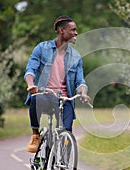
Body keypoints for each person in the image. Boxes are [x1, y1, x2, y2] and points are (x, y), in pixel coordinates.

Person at [24, 16, 90, 153]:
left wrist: (83, 93)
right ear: (62, 31)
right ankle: (35, 134)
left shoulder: (75, 57)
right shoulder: (42, 49)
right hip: (45, 95)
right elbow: (30, 69)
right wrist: (31, 85)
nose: (76, 33)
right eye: (73, 30)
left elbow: (80, 81)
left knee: (67, 135)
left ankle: (63, 169)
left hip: (65, 100)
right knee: (35, 99)